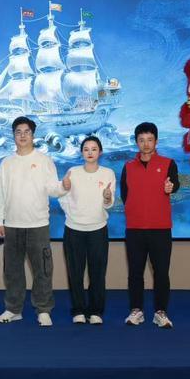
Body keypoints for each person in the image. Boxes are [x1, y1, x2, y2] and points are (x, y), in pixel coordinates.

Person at [0, 117, 68, 327]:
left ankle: (43, 310)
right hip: (12, 225)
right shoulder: (6, 163)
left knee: (42, 270)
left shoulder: (45, 160)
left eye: (26, 131)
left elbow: (53, 189)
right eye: (18, 132)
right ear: (13, 135)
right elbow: (1, 194)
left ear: (33, 135)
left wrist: (63, 186)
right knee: (12, 271)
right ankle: (13, 309)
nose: (23, 135)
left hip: (38, 225)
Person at [120, 122, 180, 329]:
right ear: (136, 142)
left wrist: (171, 187)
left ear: (156, 141)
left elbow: (175, 184)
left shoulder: (168, 163)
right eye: (141, 140)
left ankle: (160, 312)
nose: (146, 144)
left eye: (150, 140)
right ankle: (136, 310)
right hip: (134, 229)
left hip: (160, 228)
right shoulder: (128, 167)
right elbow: (125, 195)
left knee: (161, 272)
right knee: (135, 272)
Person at [58, 136, 115, 325]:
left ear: (100, 152)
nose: (90, 152)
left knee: (98, 272)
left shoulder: (108, 173)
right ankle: (78, 310)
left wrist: (107, 197)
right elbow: (62, 196)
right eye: (86, 149)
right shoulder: (73, 172)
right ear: (81, 152)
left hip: (98, 229)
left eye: (94, 149)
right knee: (75, 273)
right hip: (74, 229)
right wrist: (73, 213)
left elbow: (109, 204)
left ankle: (96, 311)